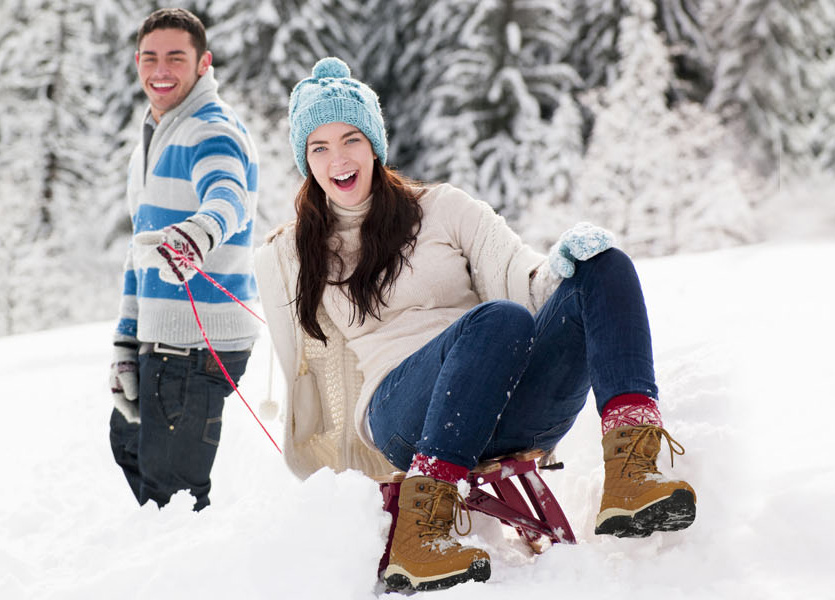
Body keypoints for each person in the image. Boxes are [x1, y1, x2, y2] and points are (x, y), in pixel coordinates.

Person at [254, 57, 696, 592]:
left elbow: (521, 277)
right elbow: (299, 357)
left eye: (350, 139)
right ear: (305, 160)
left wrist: (560, 267)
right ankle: (423, 529)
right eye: (318, 147)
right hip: (402, 413)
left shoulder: (442, 208)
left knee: (605, 265)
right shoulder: (297, 252)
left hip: (504, 394)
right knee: (499, 322)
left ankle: (632, 470)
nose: (337, 159)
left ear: (375, 145)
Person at [108, 8, 259, 512]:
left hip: (196, 343)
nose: (161, 69)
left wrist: (198, 234)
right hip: (159, 336)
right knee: (131, 451)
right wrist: (126, 342)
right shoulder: (156, 134)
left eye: (176, 56)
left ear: (203, 63)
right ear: (136, 62)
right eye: (150, 57)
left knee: (170, 501)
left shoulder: (208, 129)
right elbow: (140, 249)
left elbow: (228, 196)